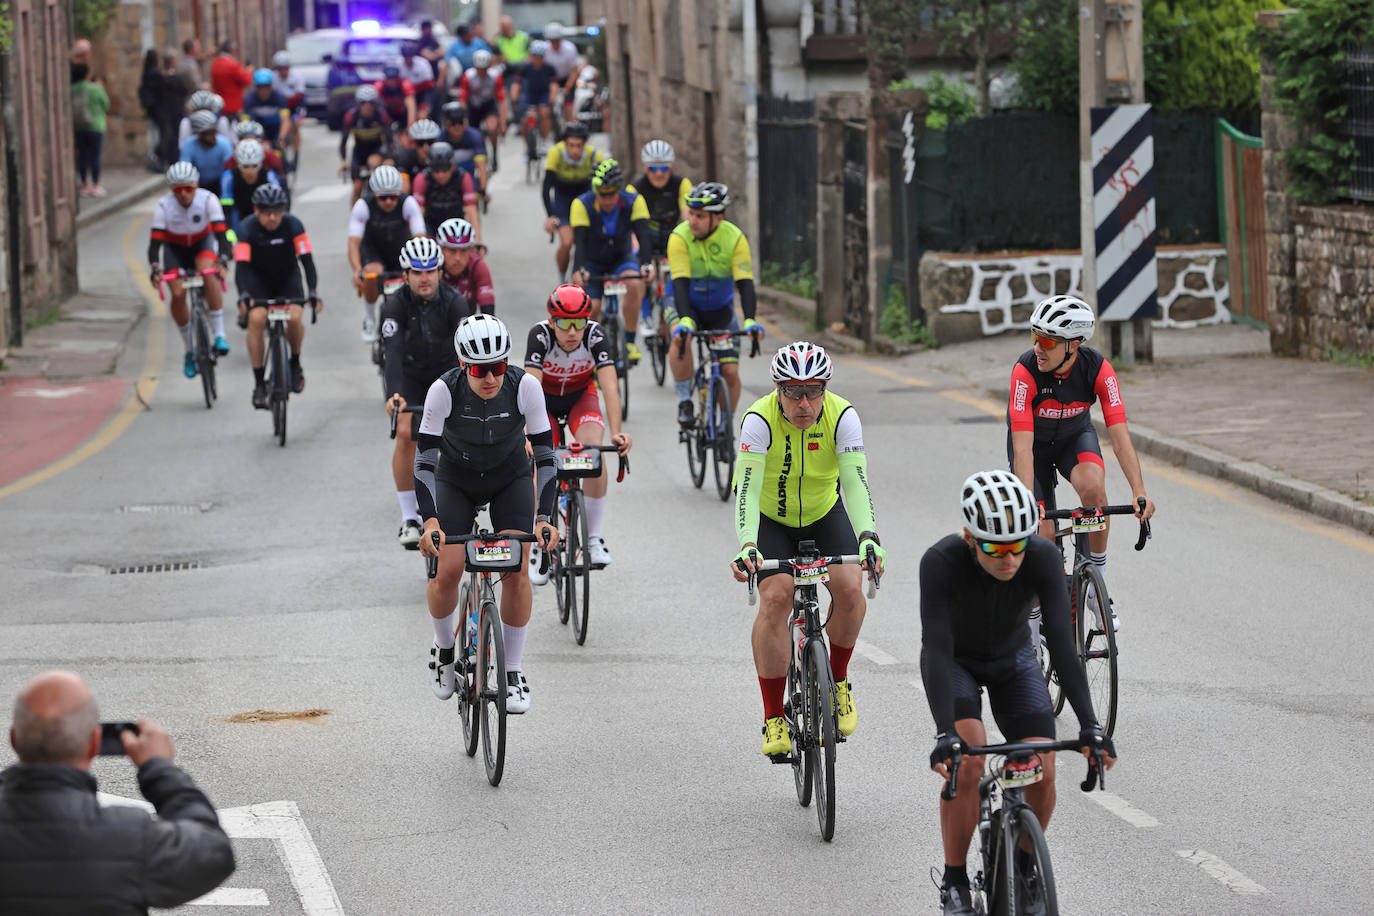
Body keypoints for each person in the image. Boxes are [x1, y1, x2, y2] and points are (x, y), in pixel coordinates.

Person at [920, 470, 1114, 916]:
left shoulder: (1042, 557)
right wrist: (944, 733)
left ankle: (1025, 867)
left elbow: (1063, 648)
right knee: (967, 763)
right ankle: (953, 882)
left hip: (1013, 660)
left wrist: (1090, 725)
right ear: (970, 538)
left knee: (1043, 769)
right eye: (994, 547)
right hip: (957, 663)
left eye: (1017, 546)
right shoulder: (940, 562)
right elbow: (937, 646)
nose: (1008, 559)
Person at [729, 342, 886, 756]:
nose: (803, 403)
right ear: (777, 390)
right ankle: (773, 717)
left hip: (823, 512)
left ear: (824, 390)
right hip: (770, 521)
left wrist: (869, 535)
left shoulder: (843, 416)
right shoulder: (758, 420)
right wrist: (747, 544)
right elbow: (744, 490)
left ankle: (837, 680)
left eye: (813, 391)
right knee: (777, 597)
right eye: (793, 392)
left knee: (851, 589)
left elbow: (855, 481)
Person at [415, 314, 560, 713]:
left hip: (508, 477)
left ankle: (512, 672)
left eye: (498, 367)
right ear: (463, 366)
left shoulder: (525, 386)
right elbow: (425, 462)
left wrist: (545, 519)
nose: (491, 378)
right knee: (448, 569)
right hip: (455, 480)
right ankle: (445, 652)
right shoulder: (443, 391)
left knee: (516, 570)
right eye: (480, 370)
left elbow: (546, 458)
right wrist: (429, 522)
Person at [0, 670, 236, 912]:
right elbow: (213, 852)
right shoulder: (131, 837)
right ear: (94, 743)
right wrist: (159, 769)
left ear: (14, 740)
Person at [1006, 295, 1156, 634]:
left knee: (1094, 490)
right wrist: (1029, 502)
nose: (1037, 348)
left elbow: (1119, 437)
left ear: (1073, 345)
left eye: (1046, 341)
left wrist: (1139, 492)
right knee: (1041, 536)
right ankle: (1031, 627)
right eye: (1034, 338)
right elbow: (1023, 449)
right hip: (1034, 451)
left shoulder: (1098, 368)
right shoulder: (1025, 371)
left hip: (1075, 439)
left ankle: (1095, 585)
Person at [524, 284, 631, 569]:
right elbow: (529, 390)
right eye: (564, 323)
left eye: (579, 323)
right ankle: (539, 543)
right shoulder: (539, 336)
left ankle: (593, 538)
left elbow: (610, 388)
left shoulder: (595, 335)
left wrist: (617, 432)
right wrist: (526, 436)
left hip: (580, 398)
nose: (572, 332)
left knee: (594, 452)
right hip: (543, 404)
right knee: (541, 461)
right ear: (551, 321)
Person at [382, 237, 474, 549]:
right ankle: (409, 517)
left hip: (446, 375)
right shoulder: (394, 304)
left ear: (440, 272)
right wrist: (394, 395)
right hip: (410, 375)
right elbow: (391, 352)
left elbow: (467, 352)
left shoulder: (456, 302)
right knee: (406, 432)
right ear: (405, 275)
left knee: (458, 431)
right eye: (417, 272)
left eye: (431, 271)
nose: (425, 278)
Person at [668, 181, 763, 424]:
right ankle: (684, 401)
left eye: (700, 216)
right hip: (686, 303)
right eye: (691, 214)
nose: (692, 221)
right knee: (680, 337)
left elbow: (745, 283)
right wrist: (686, 319)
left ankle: (725, 423)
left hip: (720, 309)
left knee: (730, 371)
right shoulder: (679, 237)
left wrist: (751, 319)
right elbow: (679, 283)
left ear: (718, 217)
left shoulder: (735, 238)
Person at [235, 183, 319, 408]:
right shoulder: (245, 229)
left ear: (284, 209)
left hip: (287, 279)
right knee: (257, 319)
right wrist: (243, 294)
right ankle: (259, 382)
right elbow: (241, 267)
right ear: (256, 211)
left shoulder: (294, 225)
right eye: (265, 212)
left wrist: (312, 291)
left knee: (294, 317)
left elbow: (307, 261)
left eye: (277, 211)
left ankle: (295, 362)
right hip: (257, 280)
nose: (272, 217)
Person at [149, 161, 231, 378]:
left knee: (208, 273)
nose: (184, 194)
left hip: (201, 243)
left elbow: (222, 236)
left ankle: (220, 334)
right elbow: (155, 245)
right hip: (175, 249)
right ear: (171, 190)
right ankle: (188, 349)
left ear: (196, 186)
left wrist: (222, 260)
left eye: (189, 188)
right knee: (177, 293)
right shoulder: (163, 206)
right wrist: (155, 269)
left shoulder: (208, 199)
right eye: (178, 189)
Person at [569, 158, 651, 363]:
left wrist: (647, 265)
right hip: (592, 261)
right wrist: (579, 269)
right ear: (595, 190)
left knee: (634, 283)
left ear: (619, 189)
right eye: (602, 194)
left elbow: (643, 236)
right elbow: (579, 243)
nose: (607, 199)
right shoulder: (581, 204)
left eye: (612, 193)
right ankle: (590, 353)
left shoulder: (634, 201)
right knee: (592, 307)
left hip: (621, 257)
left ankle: (630, 342)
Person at [348, 165, 426, 341]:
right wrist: (357, 269)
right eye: (383, 197)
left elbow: (420, 237)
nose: (389, 201)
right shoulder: (363, 205)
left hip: (401, 251)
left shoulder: (408, 202)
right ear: (375, 194)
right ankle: (369, 318)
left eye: (393, 196)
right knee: (372, 274)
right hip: (373, 252)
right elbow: (353, 243)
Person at [625, 139, 691, 326]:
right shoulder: (635, 188)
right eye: (654, 169)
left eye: (664, 168)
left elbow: (687, 218)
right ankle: (645, 314)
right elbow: (630, 227)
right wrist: (637, 248)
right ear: (646, 168)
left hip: (671, 238)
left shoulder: (682, 184)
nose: (660, 173)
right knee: (643, 272)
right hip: (644, 238)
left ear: (672, 166)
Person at [541, 121, 603, 282]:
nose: (575, 150)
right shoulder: (556, 153)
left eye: (579, 145)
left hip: (585, 201)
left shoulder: (594, 155)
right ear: (564, 143)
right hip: (563, 202)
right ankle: (562, 277)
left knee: (585, 242)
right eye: (571, 145)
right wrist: (550, 215)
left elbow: (603, 187)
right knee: (567, 242)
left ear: (585, 145)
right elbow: (546, 187)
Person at [338, 85, 392, 206]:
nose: (367, 106)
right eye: (363, 103)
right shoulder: (351, 116)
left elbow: (390, 141)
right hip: (359, 153)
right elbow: (343, 142)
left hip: (376, 150)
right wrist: (344, 160)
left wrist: (387, 157)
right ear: (358, 104)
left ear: (375, 104)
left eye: (370, 103)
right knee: (357, 187)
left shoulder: (381, 115)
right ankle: (355, 218)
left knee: (375, 170)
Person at [220, 139, 281, 239]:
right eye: (245, 166)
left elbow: (278, 203)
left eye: (254, 166)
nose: (250, 171)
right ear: (238, 164)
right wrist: (229, 231)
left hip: (264, 212)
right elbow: (226, 208)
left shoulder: (269, 175)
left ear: (261, 163)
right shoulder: (228, 177)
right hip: (238, 213)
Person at [414, 143, 479, 237]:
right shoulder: (421, 179)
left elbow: (471, 210)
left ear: (452, 166)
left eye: (445, 169)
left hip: (456, 225)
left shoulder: (463, 177)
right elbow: (418, 214)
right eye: (436, 169)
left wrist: (477, 242)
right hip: (431, 226)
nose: (441, 175)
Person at [457, 50, 507, 163]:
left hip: (488, 105)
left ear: (489, 66)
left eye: (484, 68)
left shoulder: (496, 77)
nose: (482, 71)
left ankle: (494, 152)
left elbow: (502, 101)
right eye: (479, 68)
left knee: (492, 128)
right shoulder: (468, 76)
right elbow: (462, 100)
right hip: (473, 106)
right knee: (471, 131)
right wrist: (464, 119)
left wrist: (503, 123)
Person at [435, 218, 493, 312]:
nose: (458, 258)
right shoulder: (432, 268)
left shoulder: (478, 266)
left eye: (463, 250)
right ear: (441, 249)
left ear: (471, 250)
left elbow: (489, 314)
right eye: (452, 250)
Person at [72, 64, 110, 198]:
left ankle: (84, 185)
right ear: (87, 74)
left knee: (82, 156)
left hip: (79, 127)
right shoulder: (95, 88)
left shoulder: (72, 89)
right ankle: (95, 185)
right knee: (95, 156)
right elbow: (106, 104)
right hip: (96, 126)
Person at [440, 102, 488, 201]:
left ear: (465, 123)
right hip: (448, 178)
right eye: (453, 123)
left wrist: (483, 189)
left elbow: (481, 165)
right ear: (446, 124)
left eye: (460, 122)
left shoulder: (474, 136)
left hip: (469, 175)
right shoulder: (440, 139)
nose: (457, 126)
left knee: (473, 198)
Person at [179, 110, 235, 193]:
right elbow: (185, 170)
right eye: (210, 133)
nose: (214, 135)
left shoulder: (224, 143)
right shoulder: (188, 145)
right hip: (198, 185)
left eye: (215, 131)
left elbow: (230, 169)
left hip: (220, 183)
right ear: (199, 134)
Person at [520, 41, 559, 154]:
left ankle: (544, 141)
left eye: (540, 57)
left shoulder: (549, 68)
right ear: (531, 56)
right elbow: (516, 85)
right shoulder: (525, 68)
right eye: (535, 57)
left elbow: (554, 85)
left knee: (544, 113)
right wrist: (514, 99)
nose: (537, 60)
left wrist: (551, 99)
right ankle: (528, 146)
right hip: (529, 95)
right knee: (525, 121)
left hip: (544, 95)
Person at [269, 50, 306, 164]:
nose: (284, 71)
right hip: (279, 106)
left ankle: (296, 152)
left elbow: (300, 96)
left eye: (286, 68)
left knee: (295, 126)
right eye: (281, 69)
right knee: (280, 127)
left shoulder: (297, 76)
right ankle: (282, 151)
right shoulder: (273, 77)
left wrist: (300, 116)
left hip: (294, 106)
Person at [241, 68, 291, 150]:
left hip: (276, 128)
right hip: (257, 127)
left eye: (267, 86)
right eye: (260, 87)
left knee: (278, 150)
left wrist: (282, 137)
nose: (264, 90)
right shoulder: (249, 99)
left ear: (271, 85)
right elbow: (245, 122)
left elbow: (285, 120)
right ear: (256, 87)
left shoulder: (279, 97)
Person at [542, 22, 581, 119]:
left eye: (556, 40)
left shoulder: (570, 48)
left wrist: (569, 85)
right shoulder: (544, 48)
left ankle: (570, 126)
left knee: (568, 106)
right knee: (548, 105)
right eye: (552, 41)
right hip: (551, 80)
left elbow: (574, 70)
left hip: (567, 79)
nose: (554, 43)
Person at [392, 118, 441, 191]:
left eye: (430, 142)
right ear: (414, 144)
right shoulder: (405, 157)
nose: (426, 148)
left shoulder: (443, 157)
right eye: (420, 143)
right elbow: (403, 190)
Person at [440, 22, 490, 89]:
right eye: (467, 34)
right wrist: (441, 79)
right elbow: (447, 62)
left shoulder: (478, 42)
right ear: (461, 36)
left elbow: (490, 56)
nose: (470, 35)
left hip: (480, 72)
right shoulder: (455, 45)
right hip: (463, 73)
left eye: (470, 33)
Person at [209, 41, 251, 117]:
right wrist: (249, 71)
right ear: (232, 51)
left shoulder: (215, 63)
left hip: (219, 106)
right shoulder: (232, 65)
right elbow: (246, 80)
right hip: (233, 107)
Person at [397, 41, 436, 119]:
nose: (408, 59)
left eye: (410, 56)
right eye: (406, 56)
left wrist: (425, 105)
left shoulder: (423, 64)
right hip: (405, 96)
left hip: (422, 93)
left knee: (422, 115)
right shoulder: (398, 65)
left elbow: (430, 88)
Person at [374, 65, 417, 129]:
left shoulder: (405, 83)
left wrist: (410, 125)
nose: (392, 81)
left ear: (398, 78)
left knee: (410, 100)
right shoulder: (380, 85)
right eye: (389, 78)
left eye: (394, 78)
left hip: (403, 113)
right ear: (386, 78)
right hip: (388, 113)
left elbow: (411, 105)